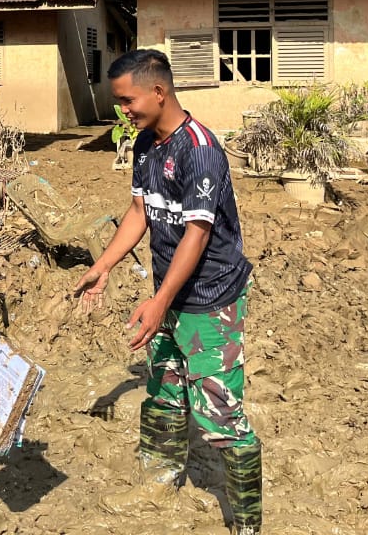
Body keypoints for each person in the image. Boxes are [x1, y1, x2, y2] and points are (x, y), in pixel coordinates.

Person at [73, 49, 261, 535]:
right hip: (169, 295)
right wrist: (103, 266)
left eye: (128, 100)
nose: (123, 111)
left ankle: (247, 521)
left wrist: (158, 303)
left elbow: (197, 233)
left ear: (158, 92)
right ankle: (159, 483)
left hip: (210, 300)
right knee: (163, 394)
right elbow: (140, 212)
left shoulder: (200, 151)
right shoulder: (145, 145)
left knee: (220, 413)